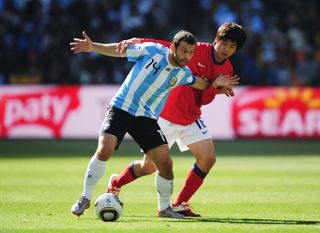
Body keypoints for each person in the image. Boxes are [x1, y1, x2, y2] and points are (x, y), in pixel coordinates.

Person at [69, 30, 238, 219]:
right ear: (173, 48)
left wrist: (215, 87)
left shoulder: (184, 72)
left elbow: (198, 84)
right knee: (112, 152)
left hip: (153, 117)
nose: (188, 56)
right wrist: (93, 47)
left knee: (172, 162)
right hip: (128, 109)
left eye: (190, 53)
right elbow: (121, 51)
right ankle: (89, 195)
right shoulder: (154, 51)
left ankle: (170, 207)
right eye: (184, 51)